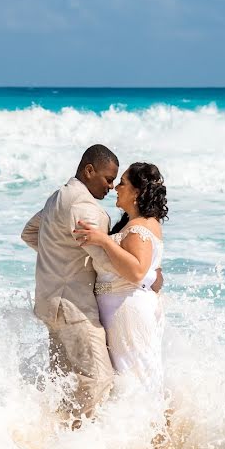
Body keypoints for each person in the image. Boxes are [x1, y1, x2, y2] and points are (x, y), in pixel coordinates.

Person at [20, 145, 159, 426]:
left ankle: (52, 434)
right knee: (99, 379)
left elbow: (30, 233)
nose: (111, 186)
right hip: (73, 308)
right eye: (109, 179)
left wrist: (60, 257)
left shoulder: (57, 197)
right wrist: (149, 276)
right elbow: (106, 264)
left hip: (51, 304)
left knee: (65, 381)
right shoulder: (84, 206)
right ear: (89, 170)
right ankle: (76, 443)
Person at [72, 162, 167, 396]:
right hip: (123, 307)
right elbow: (153, 274)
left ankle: (149, 428)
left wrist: (103, 241)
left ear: (137, 191)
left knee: (135, 379)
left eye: (122, 183)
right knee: (136, 378)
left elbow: (136, 272)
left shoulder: (139, 228)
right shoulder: (136, 224)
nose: (116, 188)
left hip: (127, 310)